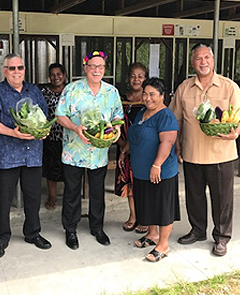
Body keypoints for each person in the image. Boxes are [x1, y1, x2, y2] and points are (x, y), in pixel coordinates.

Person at [169, 43, 240, 256]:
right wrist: (176, 145)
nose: (203, 62)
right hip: (192, 152)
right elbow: (174, 119)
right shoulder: (184, 88)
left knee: (222, 199)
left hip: (221, 154)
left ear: (213, 61)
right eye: (198, 58)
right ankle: (197, 230)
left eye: (206, 57)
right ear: (192, 62)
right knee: (194, 196)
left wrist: (236, 133)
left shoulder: (228, 86)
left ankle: (222, 237)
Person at [0, 53, 52, 259]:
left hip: (32, 155)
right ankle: (1, 239)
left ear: (24, 70)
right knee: (3, 201)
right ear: (5, 71)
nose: (16, 72)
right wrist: (12, 132)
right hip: (5, 156)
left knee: (33, 198)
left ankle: (33, 233)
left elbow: (45, 116)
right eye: (11, 68)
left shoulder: (34, 91)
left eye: (19, 68)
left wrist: (44, 130)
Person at [56, 50, 124, 250]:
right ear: (85, 68)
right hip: (73, 151)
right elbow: (60, 116)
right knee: (72, 193)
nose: (96, 70)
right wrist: (75, 128)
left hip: (99, 153)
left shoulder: (111, 92)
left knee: (97, 192)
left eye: (100, 67)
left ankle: (97, 228)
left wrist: (117, 128)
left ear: (104, 69)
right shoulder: (72, 89)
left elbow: (117, 116)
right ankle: (70, 229)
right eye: (92, 66)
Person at [120, 78, 179, 262]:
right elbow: (136, 134)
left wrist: (157, 165)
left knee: (162, 206)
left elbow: (167, 142)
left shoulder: (165, 116)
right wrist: (124, 151)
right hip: (141, 170)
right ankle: (152, 234)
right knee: (148, 203)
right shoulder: (142, 113)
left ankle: (163, 244)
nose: (147, 98)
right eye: (145, 94)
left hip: (161, 171)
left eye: (152, 94)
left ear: (162, 96)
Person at [114, 62, 149, 234]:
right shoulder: (120, 98)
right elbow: (113, 122)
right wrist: (122, 146)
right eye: (133, 76)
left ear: (145, 78)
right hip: (124, 148)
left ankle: (145, 218)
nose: (136, 79)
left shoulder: (149, 99)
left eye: (140, 76)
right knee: (130, 183)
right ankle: (133, 216)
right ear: (128, 78)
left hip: (145, 149)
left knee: (144, 184)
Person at [39, 63, 66, 210]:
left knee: (68, 169)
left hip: (68, 137)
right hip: (49, 136)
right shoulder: (44, 92)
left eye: (59, 74)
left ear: (64, 75)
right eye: (53, 75)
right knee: (50, 169)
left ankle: (69, 196)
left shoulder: (70, 91)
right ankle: (52, 196)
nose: (56, 77)